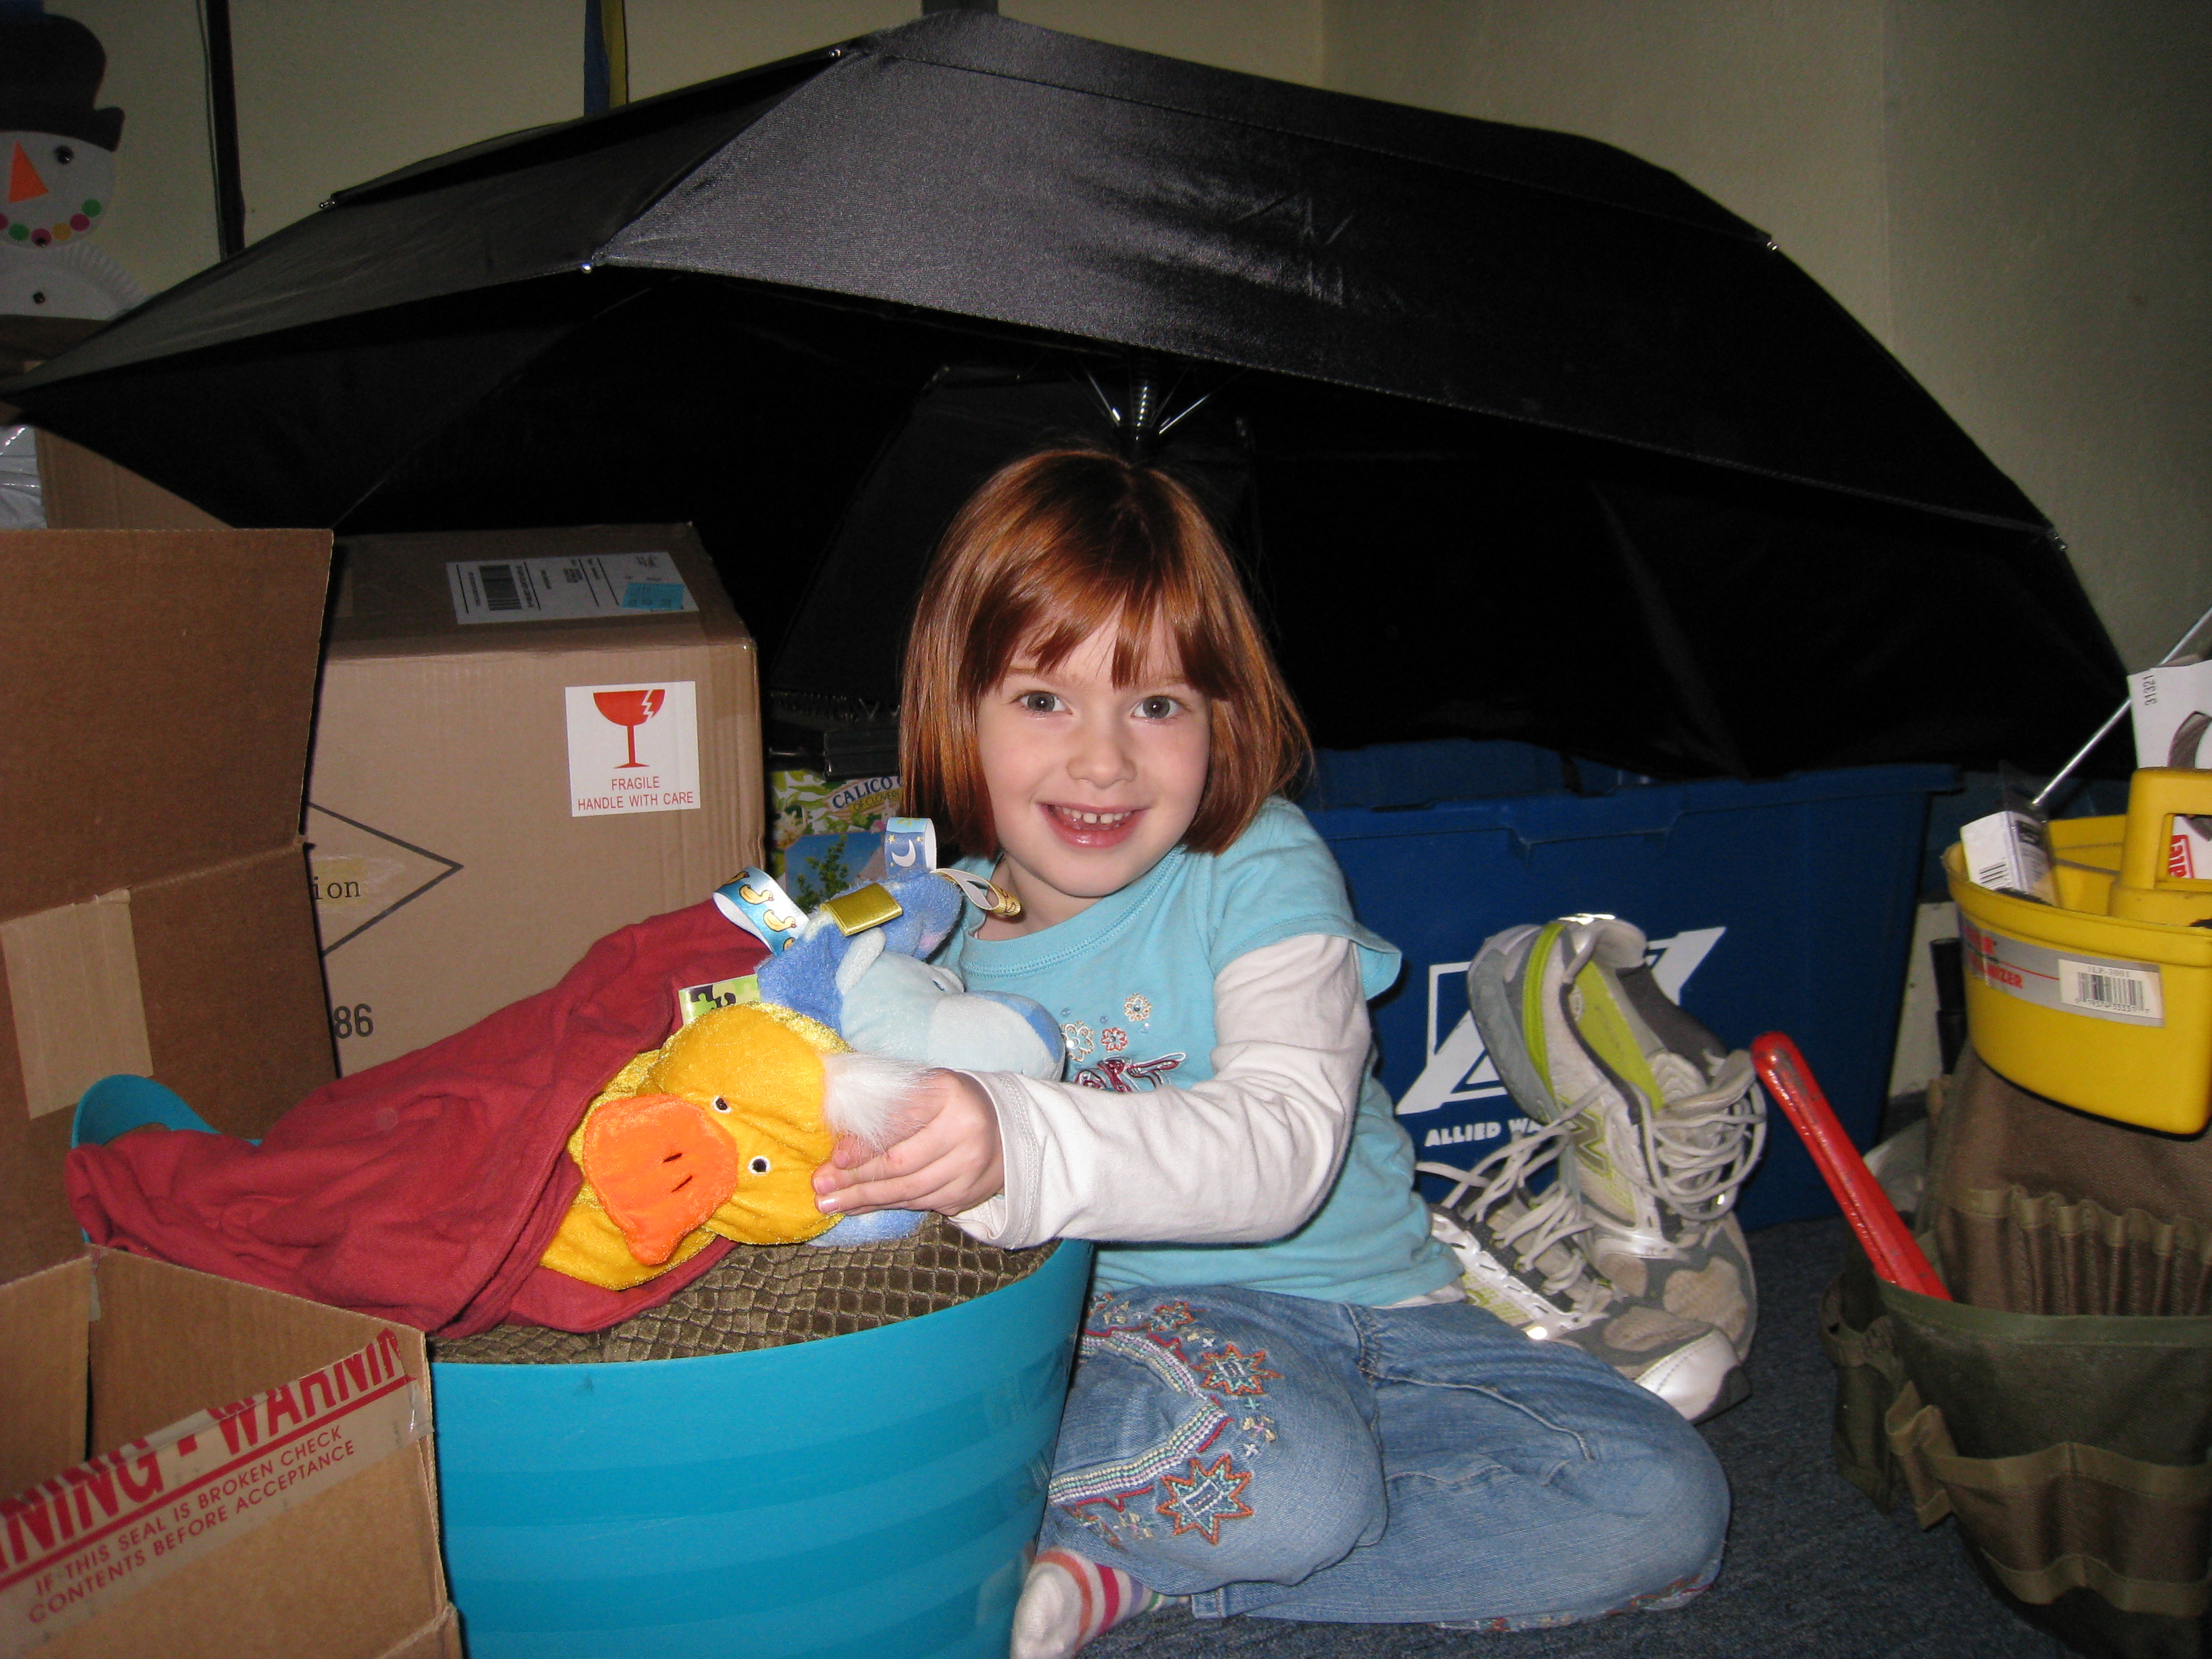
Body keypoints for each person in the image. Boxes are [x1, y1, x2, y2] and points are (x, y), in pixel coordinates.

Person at [811, 448, 1729, 1656]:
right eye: (1043, 700)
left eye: (1157, 705)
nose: (1103, 760)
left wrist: (1015, 1143)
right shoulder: (921, 930)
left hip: (1397, 1316)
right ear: (956, 709)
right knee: (1291, 1485)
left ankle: (1140, 1567)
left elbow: (1284, 1147)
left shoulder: (1260, 862)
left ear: (1222, 717)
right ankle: (1194, 1524)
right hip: (1139, 1339)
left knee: (1664, 1503)